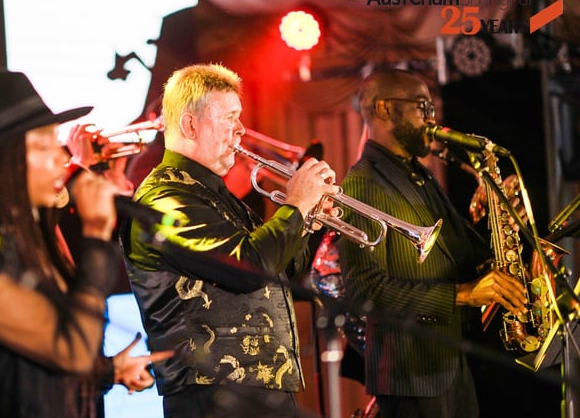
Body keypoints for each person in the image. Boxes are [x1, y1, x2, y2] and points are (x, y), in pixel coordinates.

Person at [0, 70, 170, 418]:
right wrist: (96, 232)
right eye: (43, 146)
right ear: (2, 156)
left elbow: (32, 346)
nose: (61, 158)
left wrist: (108, 370)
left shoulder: (17, 227)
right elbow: (68, 348)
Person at [121, 63, 339, 417]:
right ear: (190, 125)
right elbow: (246, 268)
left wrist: (307, 221)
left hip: (258, 389)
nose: (240, 131)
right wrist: (296, 205)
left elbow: (280, 270)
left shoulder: (214, 195)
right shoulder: (164, 197)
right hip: (212, 395)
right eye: (230, 118)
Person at [336, 68, 529, 418]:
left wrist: (499, 221)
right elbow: (363, 290)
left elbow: (461, 257)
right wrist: (463, 293)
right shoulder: (363, 182)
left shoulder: (417, 173)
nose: (432, 119)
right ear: (384, 109)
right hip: (413, 374)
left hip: (451, 364)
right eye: (422, 107)